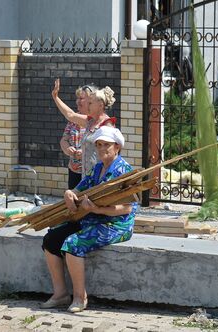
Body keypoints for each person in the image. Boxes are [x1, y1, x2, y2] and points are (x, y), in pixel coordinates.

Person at [41, 126, 137, 313]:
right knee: (51, 239)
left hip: (116, 224)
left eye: (106, 145)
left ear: (117, 147)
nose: (102, 149)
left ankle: (80, 297)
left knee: (73, 243)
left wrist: (98, 209)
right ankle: (60, 294)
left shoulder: (124, 171)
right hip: (91, 218)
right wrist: (70, 193)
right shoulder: (98, 167)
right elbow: (80, 188)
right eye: (98, 145)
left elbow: (126, 208)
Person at [52, 80, 117, 178]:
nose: (88, 106)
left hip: (98, 177)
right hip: (86, 177)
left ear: (100, 105)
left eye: (90, 103)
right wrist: (55, 97)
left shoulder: (107, 125)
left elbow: (111, 154)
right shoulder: (90, 121)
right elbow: (70, 115)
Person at [59, 84, 96, 189]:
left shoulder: (95, 120)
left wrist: (84, 152)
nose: (78, 101)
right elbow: (64, 139)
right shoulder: (73, 121)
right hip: (74, 170)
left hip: (90, 171)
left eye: (81, 98)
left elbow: (101, 146)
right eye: (77, 98)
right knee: (74, 202)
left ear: (90, 100)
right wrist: (67, 149)